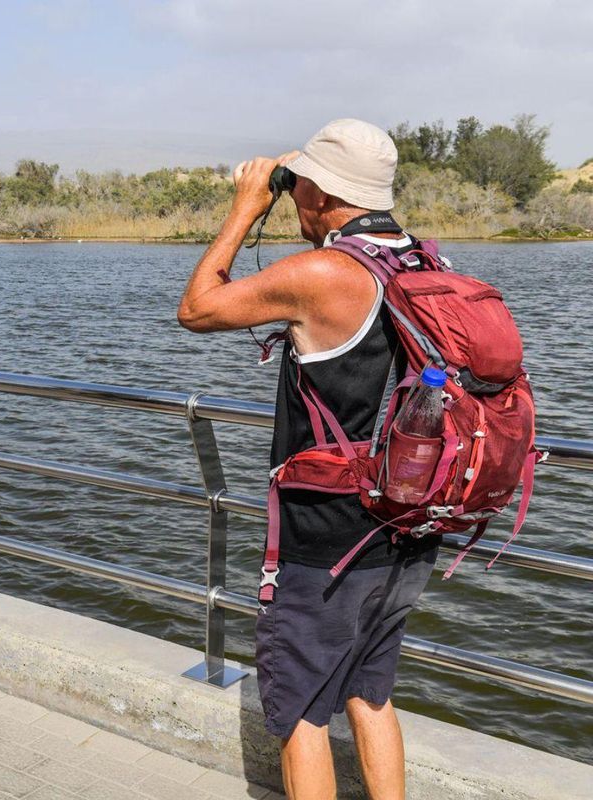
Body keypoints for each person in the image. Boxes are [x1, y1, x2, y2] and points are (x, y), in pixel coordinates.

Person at [177, 119, 439, 800]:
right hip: (407, 520)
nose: (293, 201)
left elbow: (197, 307)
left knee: (299, 709)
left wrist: (244, 209)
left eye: (300, 188)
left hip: (330, 535)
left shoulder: (326, 272)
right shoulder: (419, 259)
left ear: (321, 194)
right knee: (370, 694)